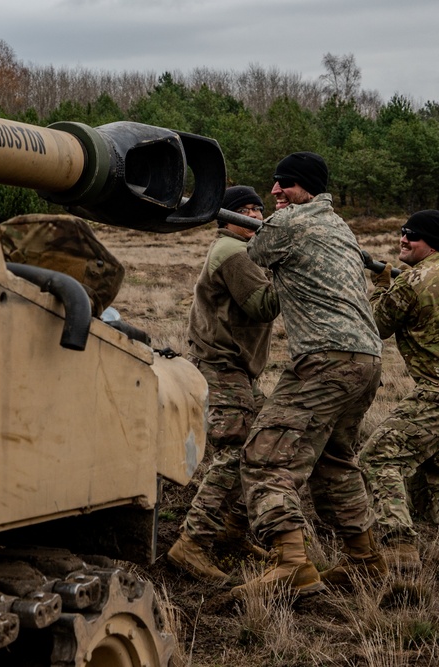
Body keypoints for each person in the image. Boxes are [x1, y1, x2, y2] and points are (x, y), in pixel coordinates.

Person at [232, 152, 386, 598]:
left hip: (324, 361)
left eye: (287, 184)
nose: (276, 191)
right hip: (366, 360)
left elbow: (256, 250)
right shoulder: (339, 226)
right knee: (334, 462)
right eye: (275, 183)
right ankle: (365, 560)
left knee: (267, 457)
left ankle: (291, 565)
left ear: (308, 189)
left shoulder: (292, 222)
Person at [360, 210, 439, 574]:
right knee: (427, 459)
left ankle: (399, 547)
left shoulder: (409, 285)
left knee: (380, 458)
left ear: (430, 242)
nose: (403, 240)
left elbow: (373, 327)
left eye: (412, 237)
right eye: (402, 233)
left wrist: (384, 284)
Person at [166, 186, 281, 581]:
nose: (255, 217)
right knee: (235, 453)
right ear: (227, 218)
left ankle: (232, 530)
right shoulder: (231, 252)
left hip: (237, 369)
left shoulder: (242, 251)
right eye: (246, 210)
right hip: (221, 366)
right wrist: (302, 272)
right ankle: (192, 542)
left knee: (260, 446)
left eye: (259, 210)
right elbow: (262, 304)